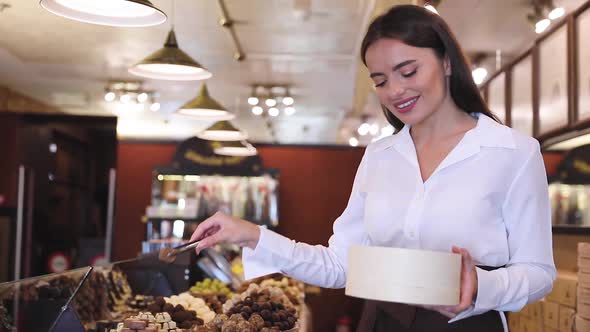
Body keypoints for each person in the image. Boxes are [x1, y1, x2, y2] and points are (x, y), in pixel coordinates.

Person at [190, 5, 556, 332]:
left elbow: (539, 273)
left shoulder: (513, 152)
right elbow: (339, 265)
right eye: (380, 80)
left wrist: (479, 286)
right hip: (382, 321)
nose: (395, 90)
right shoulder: (379, 156)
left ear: (446, 62)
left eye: (408, 71)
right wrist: (252, 234)